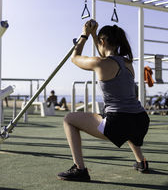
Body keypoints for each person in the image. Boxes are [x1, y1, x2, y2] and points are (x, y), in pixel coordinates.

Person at [57, 20, 150, 181]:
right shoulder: (128, 63)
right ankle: (141, 162)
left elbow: (75, 58)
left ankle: (80, 169)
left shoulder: (101, 63)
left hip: (118, 123)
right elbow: (104, 55)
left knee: (69, 119)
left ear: (103, 41)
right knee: (128, 125)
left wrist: (84, 34)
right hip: (141, 120)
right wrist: (95, 35)